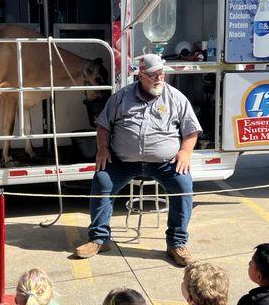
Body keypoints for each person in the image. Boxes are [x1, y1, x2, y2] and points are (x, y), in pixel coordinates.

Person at [75, 54, 202, 266]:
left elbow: (191, 131)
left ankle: (176, 243)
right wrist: (102, 148)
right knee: (102, 180)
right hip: (123, 162)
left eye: (161, 73)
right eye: (153, 75)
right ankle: (99, 238)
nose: (159, 78)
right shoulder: (121, 97)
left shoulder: (176, 98)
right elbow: (103, 125)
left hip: (165, 163)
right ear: (140, 75)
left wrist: (185, 152)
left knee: (183, 184)